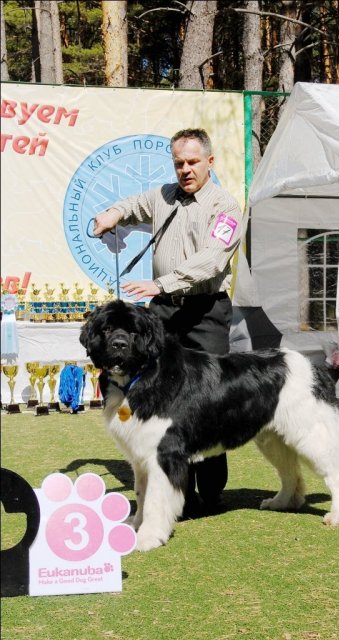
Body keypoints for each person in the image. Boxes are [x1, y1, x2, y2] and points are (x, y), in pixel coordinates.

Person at [93, 128, 243, 514]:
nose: (185, 170)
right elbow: (133, 205)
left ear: (211, 162)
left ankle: (211, 490)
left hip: (205, 310)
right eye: (179, 163)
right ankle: (174, 489)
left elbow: (212, 259)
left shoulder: (225, 208)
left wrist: (160, 282)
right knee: (157, 397)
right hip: (162, 311)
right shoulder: (163, 195)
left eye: (193, 162)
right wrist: (111, 214)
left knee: (206, 399)